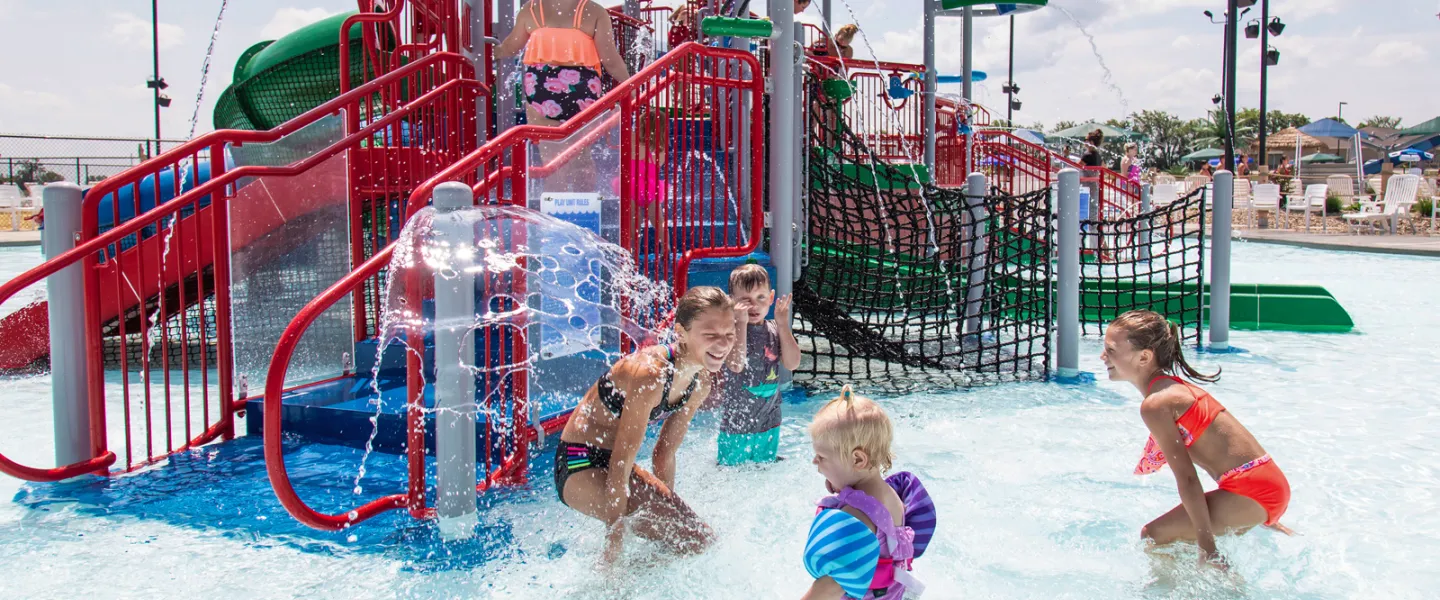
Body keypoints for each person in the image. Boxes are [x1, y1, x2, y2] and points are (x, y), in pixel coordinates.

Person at [553, 286, 737, 562]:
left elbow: (664, 454)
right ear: (681, 333)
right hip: (578, 462)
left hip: (613, 463)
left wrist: (667, 514)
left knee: (697, 540)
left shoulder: (700, 383)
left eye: (729, 335)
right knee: (688, 541)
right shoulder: (651, 375)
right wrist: (614, 543)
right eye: (711, 335)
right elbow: (621, 461)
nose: (722, 344)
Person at [1100, 310, 1293, 569]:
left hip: (1252, 490)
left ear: (1144, 356)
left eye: (1110, 351)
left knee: (1153, 538)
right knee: (1174, 545)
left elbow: (1188, 479)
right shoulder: (1170, 389)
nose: (1103, 357)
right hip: (1263, 485)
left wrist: (1207, 545)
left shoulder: (1157, 403)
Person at [801, 386, 936, 600]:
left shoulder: (857, 515)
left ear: (857, 460)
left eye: (822, 456)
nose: (815, 461)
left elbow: (827, 589)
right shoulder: (892, 495)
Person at [496, 0, 632, 127]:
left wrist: (489, 51)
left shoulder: (531, 9)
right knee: (580, 141)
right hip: (581, 85)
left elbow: (510, 47)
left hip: (541, 84)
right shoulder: (594, 11)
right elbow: (610, 59)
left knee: (546, 139)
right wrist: (631, 86)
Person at [716, 264, 801, 465]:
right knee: (731, 475)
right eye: (745, 300)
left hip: (770, 422)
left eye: (760, 298)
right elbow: (736, 365)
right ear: (732, 302)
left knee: (764, 470)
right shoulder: (730, 331)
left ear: (771, 298)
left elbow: (792, 364)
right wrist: (740, 323)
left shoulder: (774, 328)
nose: (754, 306)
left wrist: (782, 324)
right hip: (736, 425)